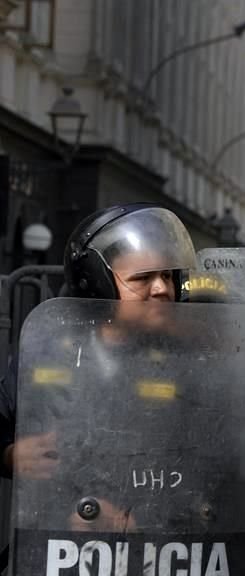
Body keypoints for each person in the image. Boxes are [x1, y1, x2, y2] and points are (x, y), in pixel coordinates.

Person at [0, 203, 196, 478]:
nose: (162, 288)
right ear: (98, 283)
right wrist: (10, 455)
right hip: (63, 503)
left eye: (166, 275)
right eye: (143, 278)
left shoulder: (189, 359)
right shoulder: (49, 354)